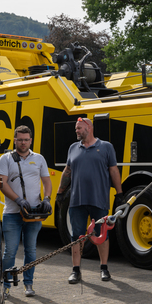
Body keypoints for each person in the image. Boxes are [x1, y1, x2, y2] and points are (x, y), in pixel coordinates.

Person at [56, 117, 123, 284]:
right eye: (76, 129)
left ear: (89, 128)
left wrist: (119, 193)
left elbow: (113, 171)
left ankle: (104, 268)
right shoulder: (73, 148)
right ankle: (76, 271)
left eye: (79, 128)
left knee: (102, 234)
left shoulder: (106, 147)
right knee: (77, 236)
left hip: (98, 199)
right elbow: (67, 171)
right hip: (77, 201)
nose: (77, 131)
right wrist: (60, 192)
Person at [0, 125, 52, 299]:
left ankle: (28, 284)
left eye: (26, 139)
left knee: (31, 251)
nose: (23, 142)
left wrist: (47, 199)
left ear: (31, 140)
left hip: (34, 214)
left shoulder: (39, 159)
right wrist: (18, 200)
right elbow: (2, 184)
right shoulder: (5, 159)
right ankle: (5, 286)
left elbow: (47, 182)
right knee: (10, 252)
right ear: (15, 140)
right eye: (20, 139)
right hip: (12, 213)